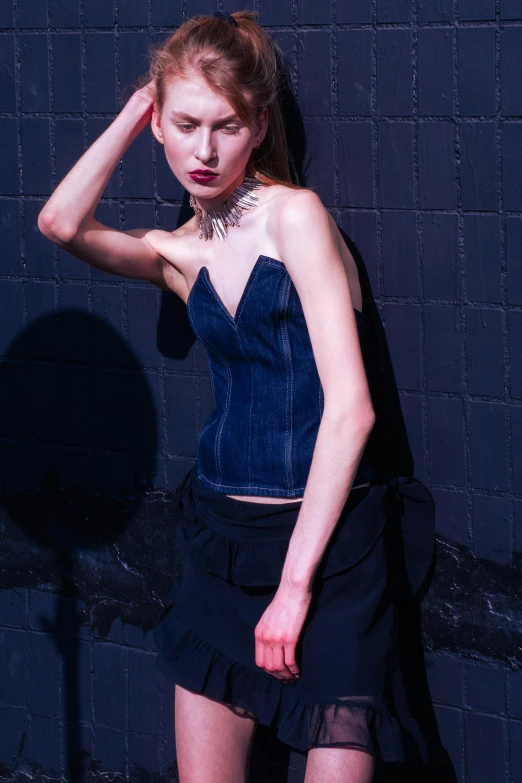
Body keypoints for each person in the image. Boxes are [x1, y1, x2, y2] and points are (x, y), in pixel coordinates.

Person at [38, 10, 434, 782]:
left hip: (327, 559)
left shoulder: (296, 217)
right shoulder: (177, 253)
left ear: (258, 124)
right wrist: (135, 111)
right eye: (184, 124)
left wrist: (293, 589)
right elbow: (59, 222)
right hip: (218, 548)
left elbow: (351, 409)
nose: (204, 149)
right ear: (161, 124)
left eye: (225, 125)